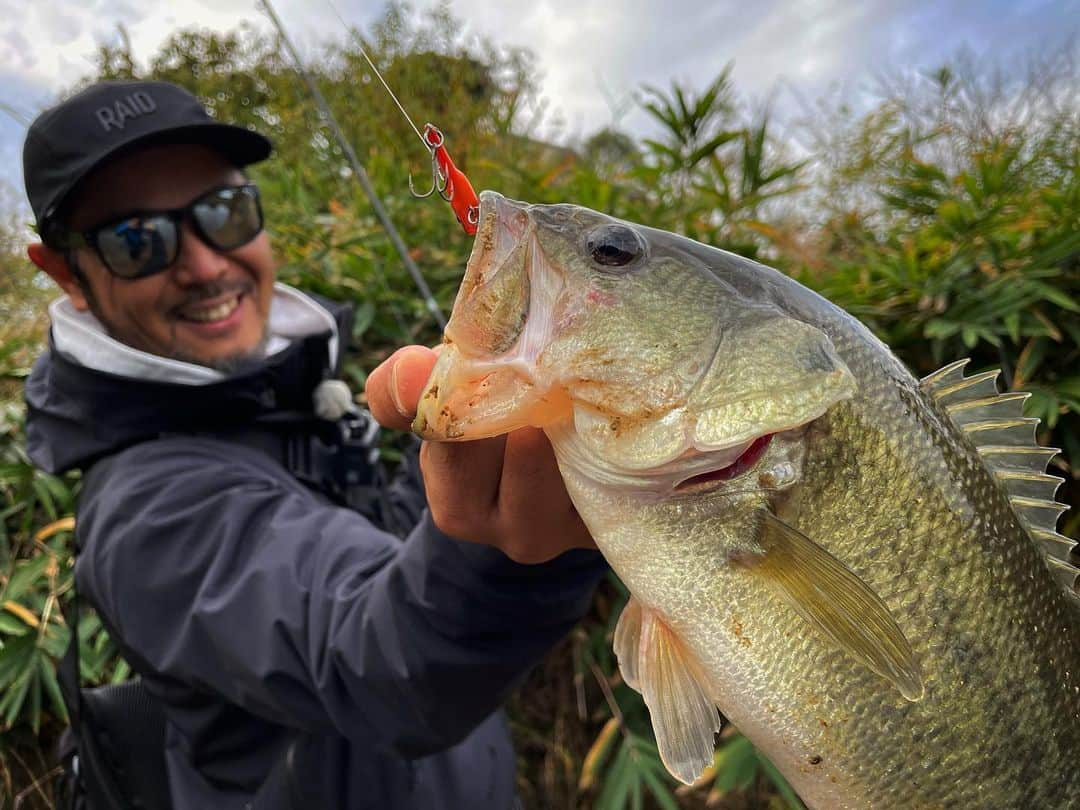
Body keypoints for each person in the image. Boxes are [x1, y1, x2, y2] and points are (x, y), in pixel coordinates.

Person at [22, 79, 604, 809]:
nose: (205, 265)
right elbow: (382, 661)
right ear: (66, 274)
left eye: (223, 212)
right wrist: (512, 540)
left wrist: (459, 438)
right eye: (137, 241)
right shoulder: (144, 515)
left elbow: (388, 542)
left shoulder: (288, 393)